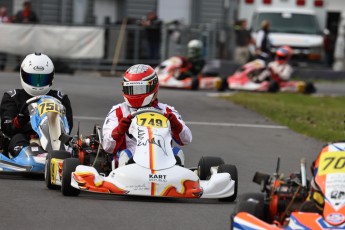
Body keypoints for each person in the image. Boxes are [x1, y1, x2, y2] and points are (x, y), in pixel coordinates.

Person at [102, 64, 192, 168]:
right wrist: (119, 130)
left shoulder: (167, 111)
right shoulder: (118, 112)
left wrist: (176, 125)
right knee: (125, 155)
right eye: (131, 89)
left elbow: (186, 139)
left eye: (140, 89)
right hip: (130, 165)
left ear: (153, 86)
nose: (135, 94)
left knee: (177, 153)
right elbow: (107, 147)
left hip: (163, 164)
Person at [0, 53, 73, 158]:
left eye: (42, 79)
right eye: (33, 79)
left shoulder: (60, 98)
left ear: (51, 77)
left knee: (71, 143)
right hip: (23, 139)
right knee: (17, 138)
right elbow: (7, 129)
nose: (38, 84)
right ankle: (33, 156)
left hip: (55, 139)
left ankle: (53, 154)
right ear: (23, 75)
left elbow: (68, 127)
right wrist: (21, 120)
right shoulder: (12, 97)